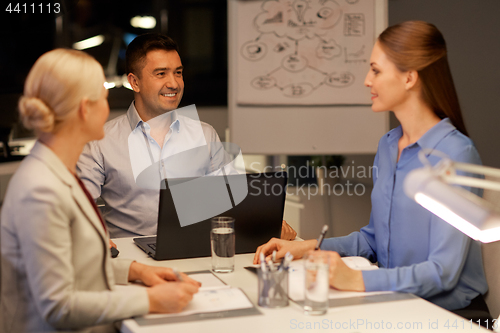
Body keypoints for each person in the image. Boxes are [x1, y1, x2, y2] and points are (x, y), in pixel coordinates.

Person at [254, 21, 490, 316]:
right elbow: (374, 239)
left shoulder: (455, 154)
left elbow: (443, 272)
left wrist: (355, 278)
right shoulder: (389, 145)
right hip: (396, 301)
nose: (367, 80)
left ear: (409, 78)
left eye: (376, 70)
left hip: (449, 315)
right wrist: (308, 247)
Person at [0, 49, 200, 333]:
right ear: (85, 108)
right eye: (104, 98)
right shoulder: (40, 190)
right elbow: (59, 306)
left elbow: (78, 264)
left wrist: (136, 270)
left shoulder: (57, 172)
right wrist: (149, 299)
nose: (109, 109)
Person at [77, 33, 297, 240]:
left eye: (178, 72)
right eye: (161, 73)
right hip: (130, 257)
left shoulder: (205, 134)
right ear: (134, 82)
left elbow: (232, 200)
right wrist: (97, 242)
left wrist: (266, 223)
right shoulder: (100, 140)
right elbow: (79, 209)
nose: (174, 83)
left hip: (194, 251)